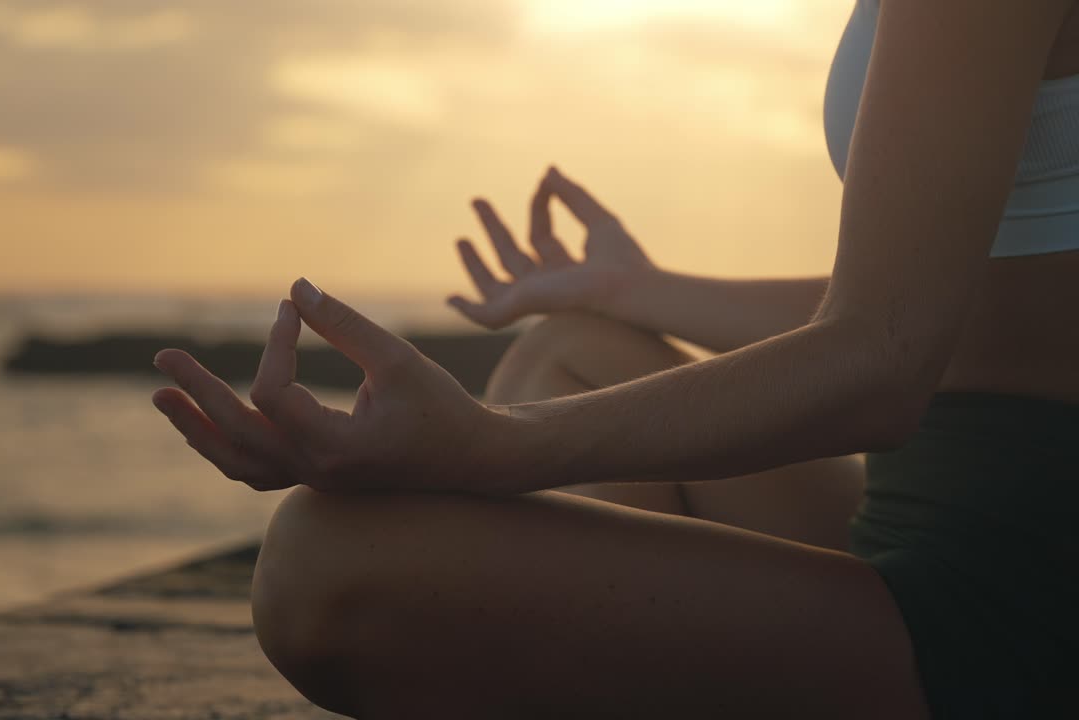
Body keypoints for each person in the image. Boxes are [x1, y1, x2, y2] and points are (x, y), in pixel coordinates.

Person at [150, 0, 1079, 716]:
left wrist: (483, 442)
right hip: (929, 513)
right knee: (576, 350)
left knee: (322, 563)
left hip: (1017, 605)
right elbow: (935, 301)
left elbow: (881, 362)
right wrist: (634, 291)